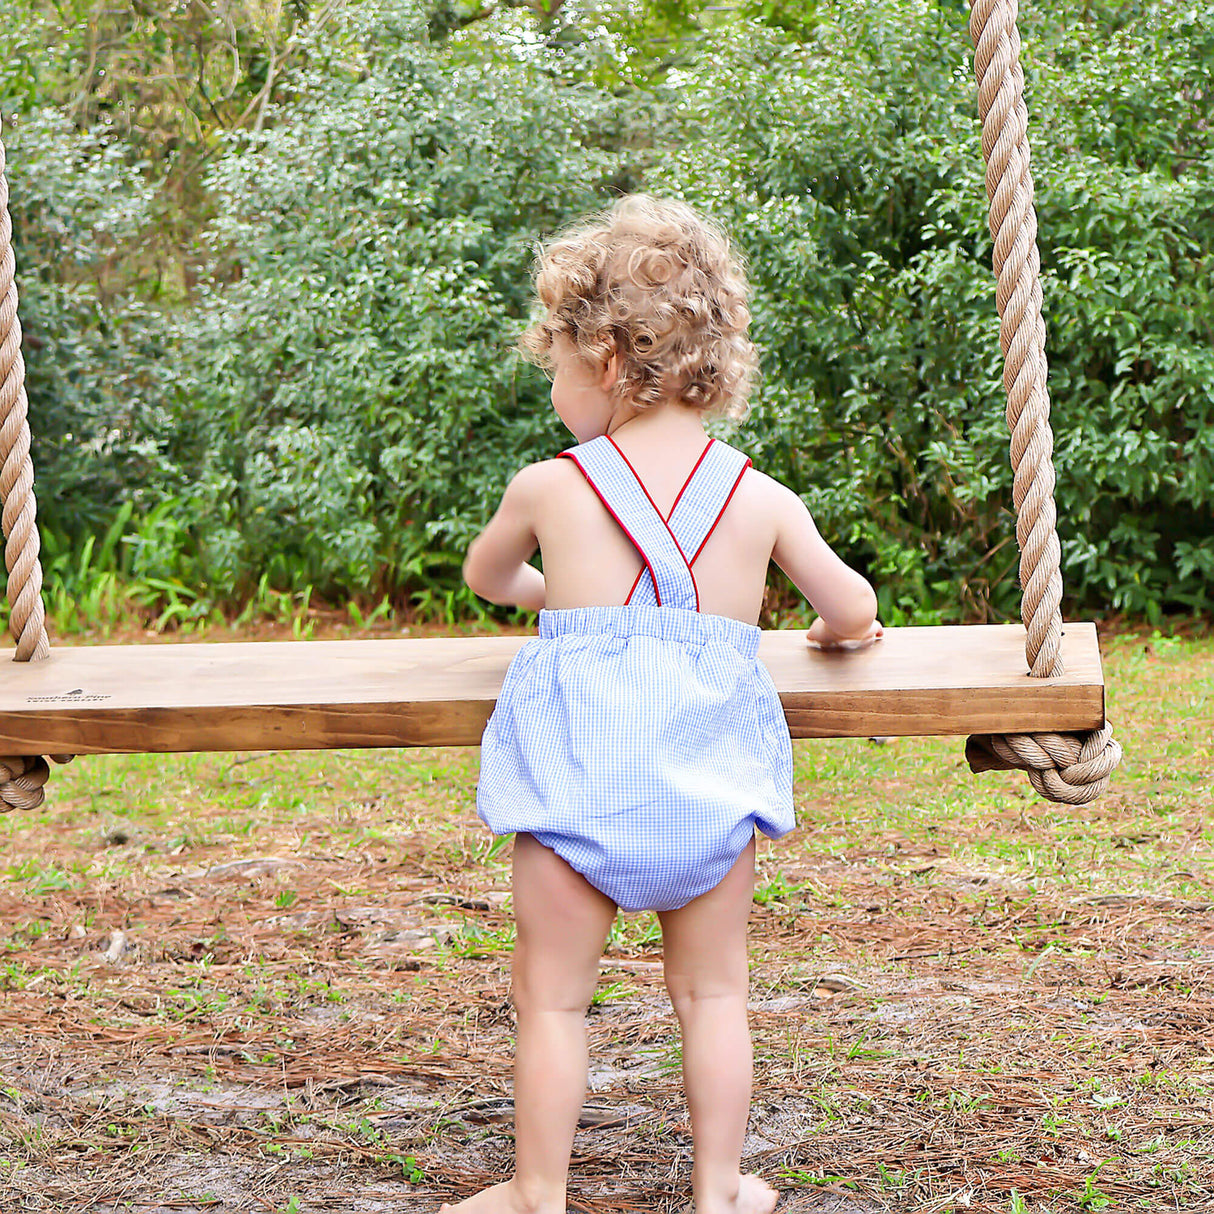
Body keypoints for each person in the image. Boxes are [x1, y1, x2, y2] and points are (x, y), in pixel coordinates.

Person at [455, 195, 881, 1214]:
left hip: (573, 801)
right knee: (713, 993)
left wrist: (552, 592)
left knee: (551, 1000)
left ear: (603, 359)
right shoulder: (759, 496)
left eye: (555, 361)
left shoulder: (547, 487)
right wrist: (831, 635)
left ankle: (536, 1190)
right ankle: (718, 1184)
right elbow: (851, 605)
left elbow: (485, 575)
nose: (555, 384)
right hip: (706, 801)